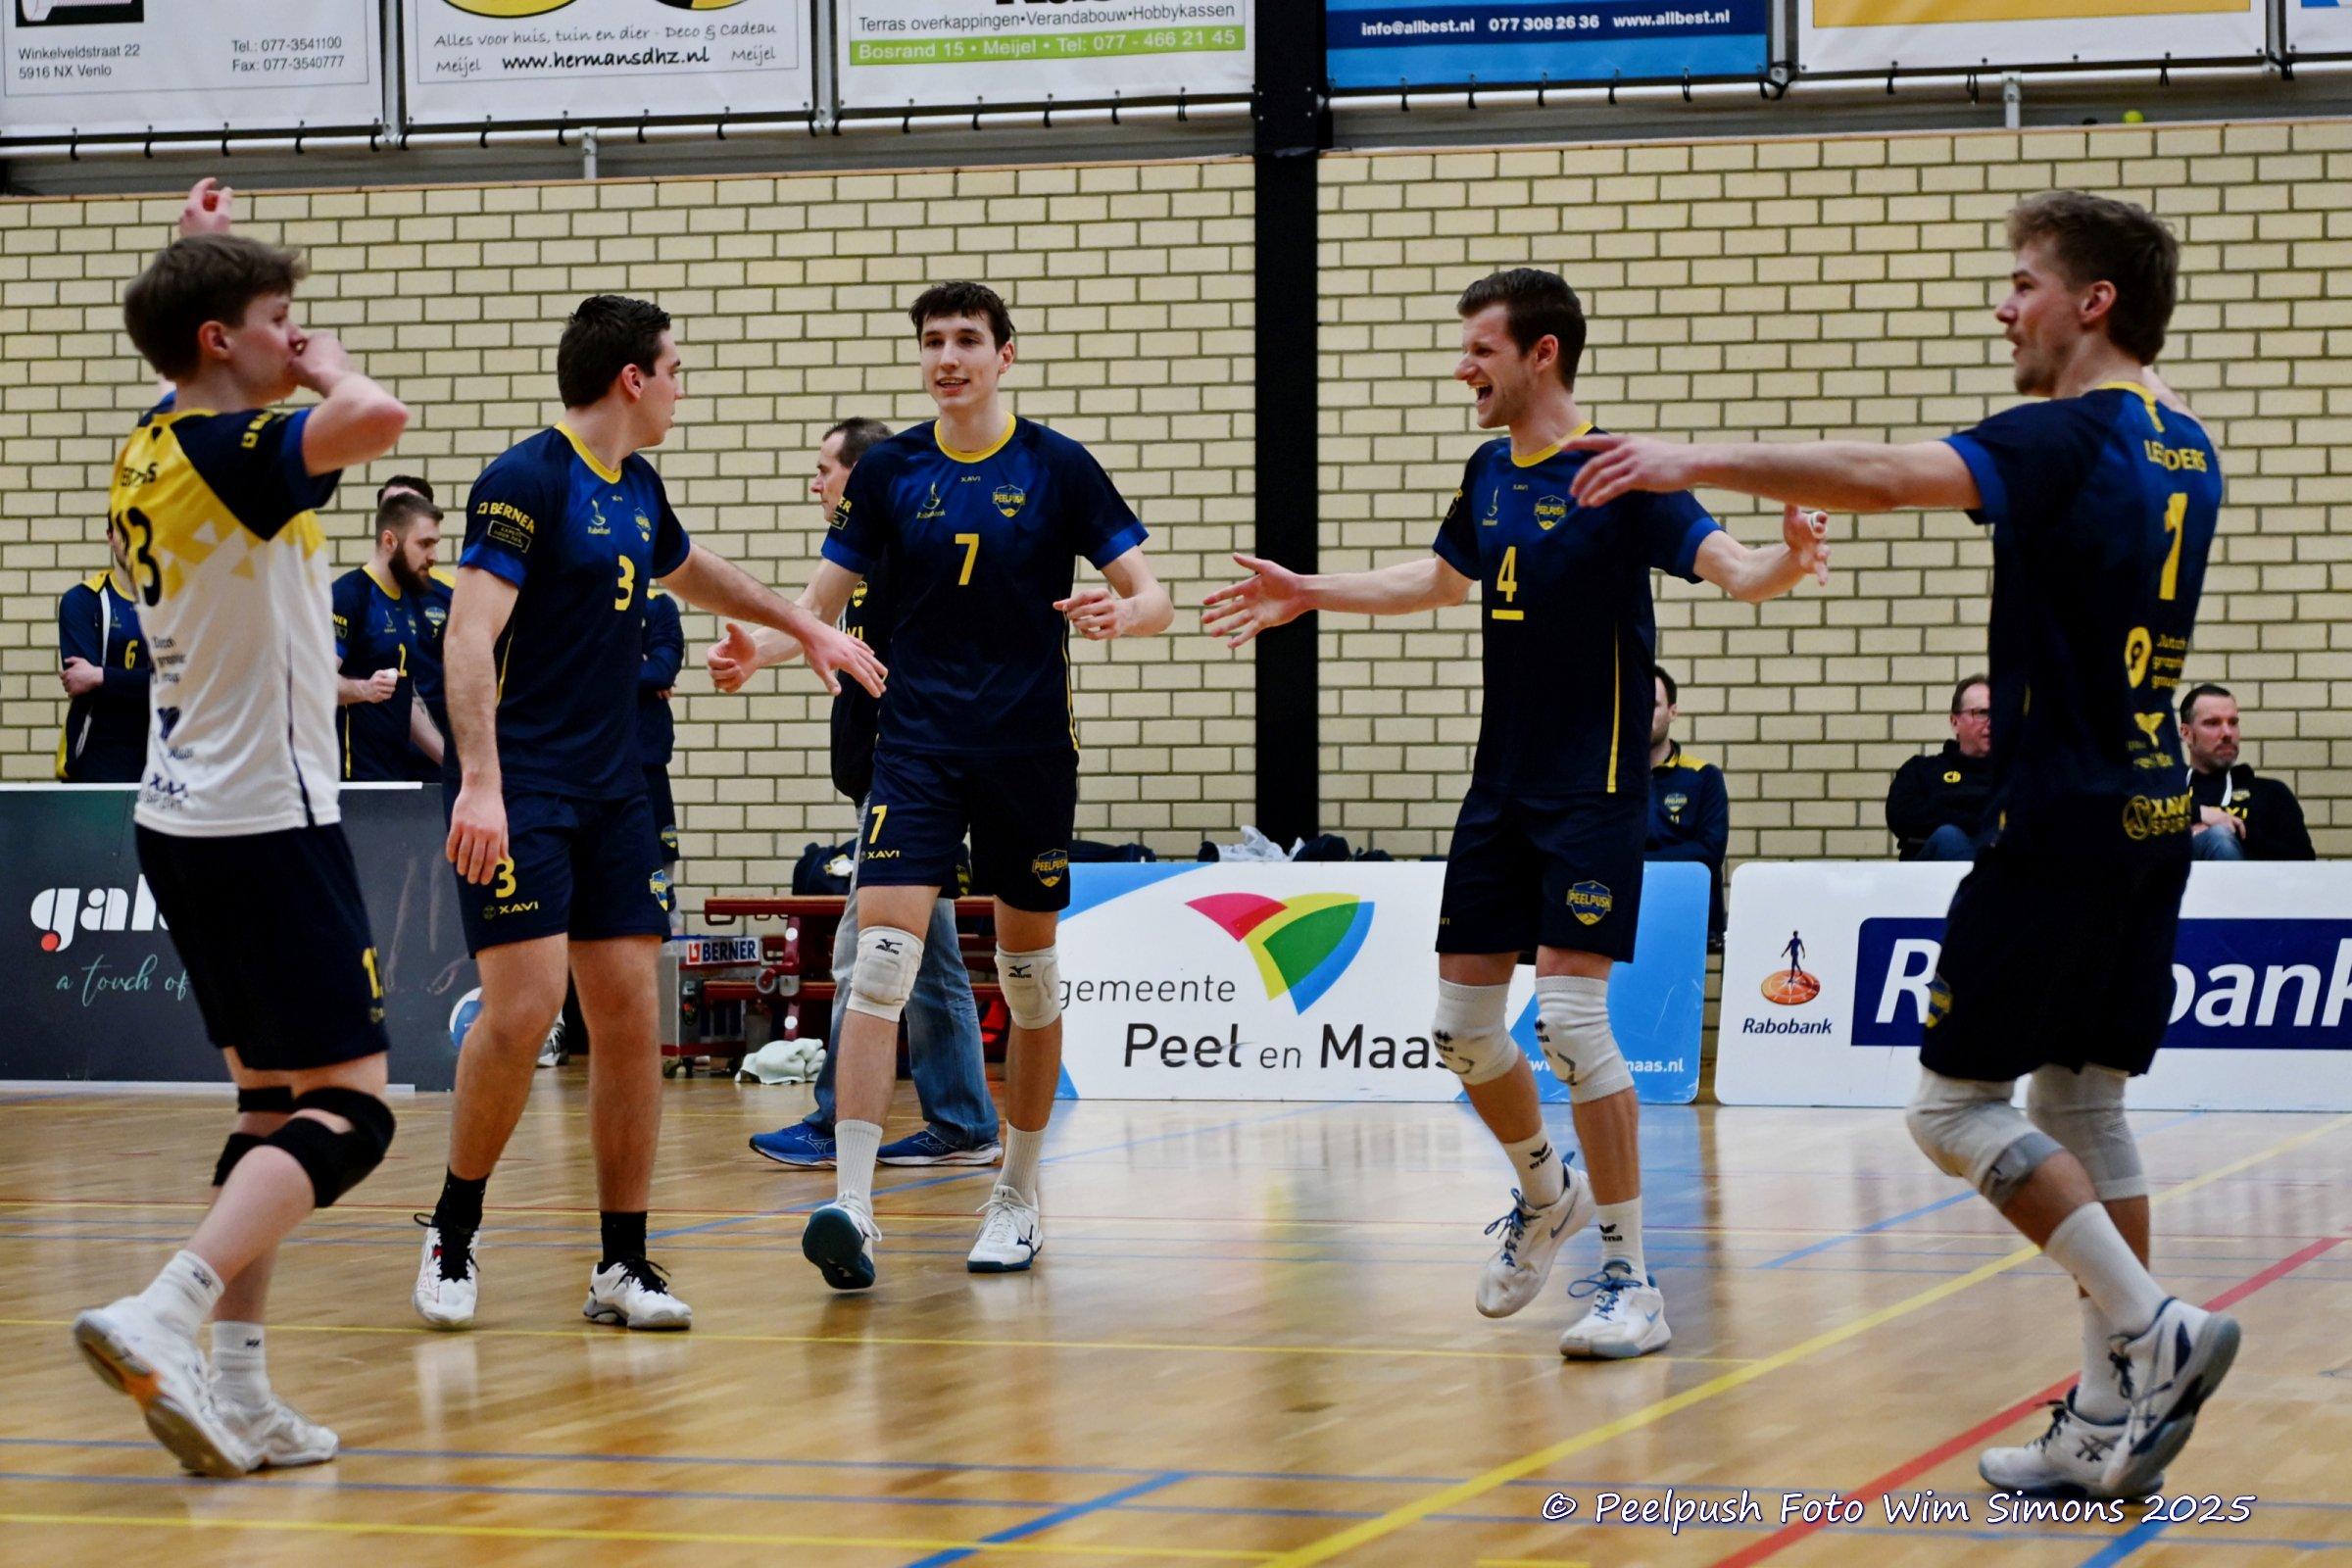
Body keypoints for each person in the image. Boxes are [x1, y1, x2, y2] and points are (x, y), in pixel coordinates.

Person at [1566, 190, 2230, 1498]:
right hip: (2154, 808)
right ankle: (2110, 1417)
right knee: (2084, 1104)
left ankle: (2153, 1329)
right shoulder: (2190, 443)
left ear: (2093, 301)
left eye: (2025, 282)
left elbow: (1880, 477)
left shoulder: (2066, 431)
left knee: (1952, 1109)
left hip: (2058, 815)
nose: (2004, 305)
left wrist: (1688, 458)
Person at [1205, 268, 1829, 1360]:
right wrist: (1310, 590)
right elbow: (1441, 580)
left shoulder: (1622, 471)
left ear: (1543, 353)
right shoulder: (1490, 470)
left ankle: (1632, 1279)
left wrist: (1793, 556)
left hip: (1594, 784)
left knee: (1574, 1025)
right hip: (1499, 786)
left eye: (1480, 350)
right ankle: (1547, 1195)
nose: (1464, 369)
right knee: (1461, 1030)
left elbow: (1737, 571)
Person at [413, 294, 883, 1333]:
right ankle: (453, 1226)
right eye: (675, 370)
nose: (681, 389)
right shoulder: (525, 480)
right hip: (523, 786)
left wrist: (803, 625)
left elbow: (693, 568)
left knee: (631, 1019)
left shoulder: (638, 486)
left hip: (617, 785)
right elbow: (467, 638)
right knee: (525, 1008)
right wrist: (481, 782)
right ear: (633, 377)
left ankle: (621, 1262)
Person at [711, 281, 1170, 1289]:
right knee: (880, 964)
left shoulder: (1057, 465)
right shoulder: (890, 470)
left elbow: (1155, 596)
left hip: (1027, 751)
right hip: (914, 748)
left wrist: (1124, 613)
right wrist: (764, 646)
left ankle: (1018, 1195)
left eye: (967, 339)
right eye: (932, 341)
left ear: (1006, 355)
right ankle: (854, 1205)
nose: (948, 357)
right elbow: (822, 607)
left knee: (1028, 979)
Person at [70, 226, 412, 1476]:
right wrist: (330, 367)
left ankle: (244, 1390)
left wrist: (194, 255)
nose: (295, 336)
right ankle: (168, 1307)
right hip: (268, 815)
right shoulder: (236, 452)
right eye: (277, 319)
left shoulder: (157, 441)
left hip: (179, 816)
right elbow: (380, 418)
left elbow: (195, 356)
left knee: (272, 1106)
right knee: (354, 1112)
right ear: (221, 341)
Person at [731, 418, 1003, 1171]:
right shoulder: (861, 557)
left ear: (864, 474)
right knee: (931, 962)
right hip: (889, 786)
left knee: (862, 956)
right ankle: (964, 1123)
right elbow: (810, 621)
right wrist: (752, 655)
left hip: (909, 788)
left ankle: (836, 1119)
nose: (814, 484)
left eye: (824, 469)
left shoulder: (912, 550)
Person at [331, 491, 444, 781]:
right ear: (390, 541)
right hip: (351, 780)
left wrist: (452, 764)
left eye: (435, 544)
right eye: (424, 544)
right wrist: (363, 690)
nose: (433, 556)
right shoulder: (350, 596)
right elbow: (312, 684)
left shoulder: (409, 600)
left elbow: (405, 700)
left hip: (395, 776)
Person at [2180, 682, 2314, 861]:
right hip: (2173, 876)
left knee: (2219, 837)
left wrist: (2235, 833)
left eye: (2233, 723)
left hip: (2247, 878)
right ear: (2186, 733)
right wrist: (2196, 815)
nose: (2227, 733)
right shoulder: (2162, 794)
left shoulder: (2270, 794)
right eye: (2213, 723)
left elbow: (2304, 862)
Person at [55, 522, 148, 782]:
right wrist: (151, 681)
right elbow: (82, 685)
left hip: (165, 755)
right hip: (97, 758)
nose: (132, 539)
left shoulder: (177, 604)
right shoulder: (82, 601)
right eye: (123, 529)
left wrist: (100, 676)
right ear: (109, 536)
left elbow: (184, 684)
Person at [1643, 665, 1728, 943]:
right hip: (1626, 922)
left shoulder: (1704, 777)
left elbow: (1709, 852)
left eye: (1653, 704)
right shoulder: (1610, 780)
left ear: (1673, 712)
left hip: (1688, 920)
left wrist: (1634, 862)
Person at [1886, 674, 1996, 860]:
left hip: (1998, 865)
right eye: (1981, 713)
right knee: (1948, 837)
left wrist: (1949, 806)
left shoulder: (2016, 774)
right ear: (1955, 722)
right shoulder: (1920, 771)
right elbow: (1900, 817)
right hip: (1934, 871)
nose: (1992, 723)